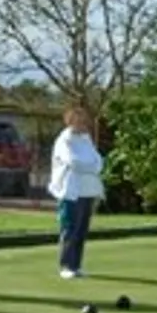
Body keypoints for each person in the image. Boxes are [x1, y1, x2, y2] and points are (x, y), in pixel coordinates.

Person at [49, 106, 106, 279]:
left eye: (84, 120)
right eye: (78, 120)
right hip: (71, 191)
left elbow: (98, 162)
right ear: (70, 121)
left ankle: (76, 265)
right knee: (70, 229)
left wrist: (89, 166)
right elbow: (73, 162)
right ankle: (65, 266)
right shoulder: (64, 140)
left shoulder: (86, 139)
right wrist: (89, 166)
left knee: (81, 230)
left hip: (88, 190)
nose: (82, 124)